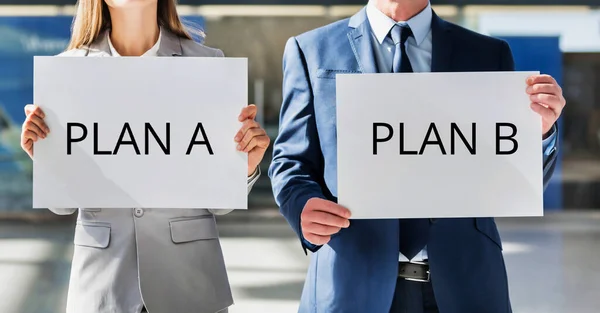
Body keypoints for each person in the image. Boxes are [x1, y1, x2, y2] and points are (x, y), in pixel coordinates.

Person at [269, 1, 565, 312]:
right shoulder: (310, 49)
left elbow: (513, 180)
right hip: (349, 284)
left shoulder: (488, 54)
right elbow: (291, 161)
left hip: (467, 286)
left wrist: (539, 133)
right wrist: (301, 204)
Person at [19, 1, 270, 312]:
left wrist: (243, 168)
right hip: (103, 286)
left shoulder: (206, 63)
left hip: (189, 283)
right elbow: (62, 205)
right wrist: (46, 159)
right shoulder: (68, 70)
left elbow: (220, 205)